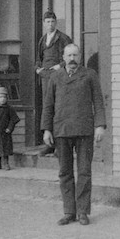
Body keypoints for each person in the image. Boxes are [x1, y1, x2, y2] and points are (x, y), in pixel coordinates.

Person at [42, 43, 105, 226]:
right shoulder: (55, 77)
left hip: (84, 130)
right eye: (69, 55)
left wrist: (100, 125)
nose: (72, 59)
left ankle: (83, 212)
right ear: (63, 57)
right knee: (65, 172)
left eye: (75, 55)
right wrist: (47, 129)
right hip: (61, 130)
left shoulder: (90, 75)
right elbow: (48, 106)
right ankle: (69, 211)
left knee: (84, 171)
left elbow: (98, 102)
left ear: (80, 56)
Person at [35, 10, 72, 147]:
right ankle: (49, 145)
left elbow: (70, 58)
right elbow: (38, 59)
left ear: (56, 23)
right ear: (44, 24)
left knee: (58, 107)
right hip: (45, 77)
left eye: (52, 21)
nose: (50, 24)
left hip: (59, 76)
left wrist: (59, 66)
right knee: (47, 107)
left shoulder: (63, 38)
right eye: (47, 22)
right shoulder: (42, 39)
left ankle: (60, 145)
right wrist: (38, 69)